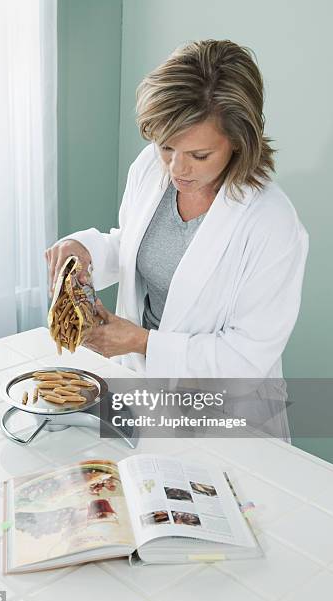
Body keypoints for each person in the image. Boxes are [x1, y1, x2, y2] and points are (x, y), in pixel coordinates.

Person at [45, 39, 308, 378]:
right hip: (138, 381)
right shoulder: (149, 168)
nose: (176, 169)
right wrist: (86, 250)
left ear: (239, 142)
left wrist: (143, 343)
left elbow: (246, 356)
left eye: (199, 156)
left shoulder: (272, 223)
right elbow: (134, 248)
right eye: (166, 146)